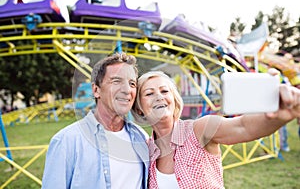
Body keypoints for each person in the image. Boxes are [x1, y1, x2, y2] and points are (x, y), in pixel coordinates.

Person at [131, 70, 300, 189]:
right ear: (139, 108)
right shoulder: (145, 150)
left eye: (164, 91)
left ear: (174, 100)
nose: (159, 96)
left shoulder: (200, 130)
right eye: (149, 93)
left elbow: (243, 127)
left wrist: (277, 114)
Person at [42, 52, 149, 189]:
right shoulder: (66, 141)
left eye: (132, 83)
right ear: (96, 90)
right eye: (117, 81)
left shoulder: (141, 138)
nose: (127, 90)